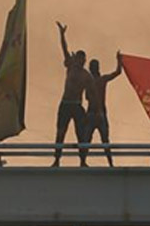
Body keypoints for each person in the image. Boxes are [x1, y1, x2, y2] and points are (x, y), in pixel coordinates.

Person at [52, 21, 93, 167]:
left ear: (84, 61)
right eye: (79, 59)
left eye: (83, 60)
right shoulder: (71, 66)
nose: (81, 61)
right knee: (60, 133)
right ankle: (57, 159)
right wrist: (62, 34)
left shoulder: (86, 76)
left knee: (80, 134)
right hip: (65, 104)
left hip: (77, 105)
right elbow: (64, 49)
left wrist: (90, 111)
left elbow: (91, 95)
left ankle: (82, 160)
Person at [83, 51, 123, 167]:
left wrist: (119, 61)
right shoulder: (100, 80)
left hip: (94, 113)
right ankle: (110, 163)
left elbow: (117, 72)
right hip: (97, 113)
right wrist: (119, 61)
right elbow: (117, 72)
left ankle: (84, 161)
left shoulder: (93, 81)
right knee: (101, 140)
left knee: (90, 140)